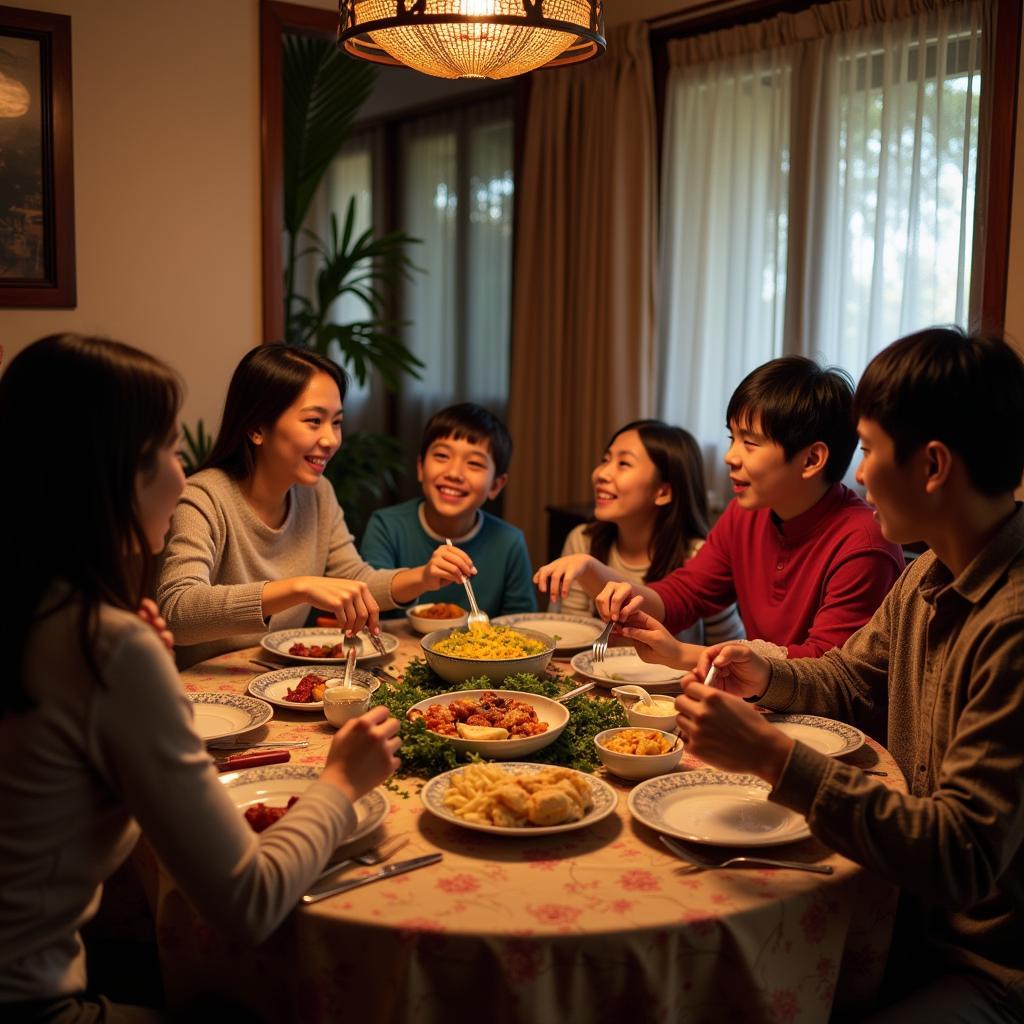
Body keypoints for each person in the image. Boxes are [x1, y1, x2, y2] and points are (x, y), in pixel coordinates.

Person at [626, 328, 1024, 1021]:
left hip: (987, 962)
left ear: (932, 465)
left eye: (868, 449)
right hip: (898, 904)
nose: (859, 472)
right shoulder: (929, 571)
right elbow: (847, 673)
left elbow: (960, 855)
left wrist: (772, 755)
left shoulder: (1011, 624)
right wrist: (762, 674)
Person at [0, 334, 402, 1020]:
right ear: (107, 471)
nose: (183, 475)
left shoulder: (41, 610)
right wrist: (340, 781)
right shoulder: (104, 642)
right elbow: (249, 903)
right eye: (166, 450)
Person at [536, 356, 905, 666]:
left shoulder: (863, 541)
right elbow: (684, 594)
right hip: (766, 708)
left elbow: (824, 668)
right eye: (732, 439)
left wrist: (682, 654)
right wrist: (597, 574)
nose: (730, 457)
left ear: (811, 459)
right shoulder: (747, 514)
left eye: (750, 442)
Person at [157, 346, 475, 667]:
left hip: (282, 680)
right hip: (208, 694)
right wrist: (299, 588)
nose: (331, 439)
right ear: (256, 428)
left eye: (336, 422)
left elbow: (354, 578)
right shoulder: (203, 498)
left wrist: (423, 576)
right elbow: (178, 610)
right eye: (314, 421)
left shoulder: (318, 494)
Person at [551, 420, 743, 645]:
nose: (601, 473)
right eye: (605, 460)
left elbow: (731, 647)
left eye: (623, 463)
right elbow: (572, 639)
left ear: (663, 491)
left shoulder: (700, 556)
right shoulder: (583, 541)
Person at [359, 402, 536, 618]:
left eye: (474, 463)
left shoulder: (509, 542)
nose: (454, 473)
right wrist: (422, 578)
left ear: (496, 485)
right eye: (442, 456)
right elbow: (368, 598)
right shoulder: (387, 526)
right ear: (420, 467)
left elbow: (522, 622)